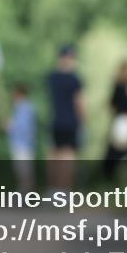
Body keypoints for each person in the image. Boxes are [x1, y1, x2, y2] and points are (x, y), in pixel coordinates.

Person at [47, 44, 84, 190]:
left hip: (55, 121)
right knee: (68, 157)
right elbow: (79, 103)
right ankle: (64, 190)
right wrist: (83, 122)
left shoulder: (51, 77)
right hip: (70, 122)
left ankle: (53, 189)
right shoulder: (75, 79)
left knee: (53, 155)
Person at [103, 60, 127, 181]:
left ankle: (109, 176)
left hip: (119, 119)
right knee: (123, 148)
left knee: (114, 149)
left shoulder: (119, 86)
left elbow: (112, 103)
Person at [5, 82, 36, 192]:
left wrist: (10, 126)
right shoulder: (21, 108)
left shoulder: (25, 108)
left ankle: (23, 196)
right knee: (22, 172)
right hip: (22, 145)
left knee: (24, 173)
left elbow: (24, 128)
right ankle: (23, 195)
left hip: (23, 145)